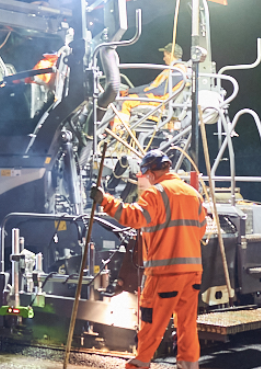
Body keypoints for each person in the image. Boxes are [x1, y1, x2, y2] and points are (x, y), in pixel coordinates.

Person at [91, 149, 207, 369]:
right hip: (192, 274)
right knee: (186, 326)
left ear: (151, 173)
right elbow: (201, 230)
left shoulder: (156, 194)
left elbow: (134, 217)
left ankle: (140, 365)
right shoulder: (193, 194)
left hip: (165, 274)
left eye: (143, 175)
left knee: (151, 323)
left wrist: (104, 201)